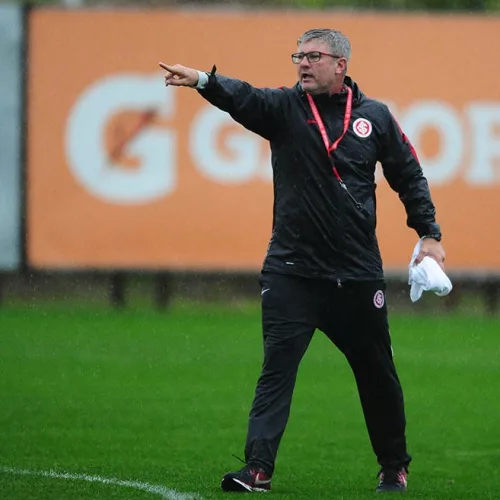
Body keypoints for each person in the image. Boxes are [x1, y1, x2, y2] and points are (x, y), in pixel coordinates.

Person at [159, 28, 445, 494]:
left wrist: (429, 233)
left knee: (377, 376)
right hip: (291, 272)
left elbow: (408, 174)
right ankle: (257, 469)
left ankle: (394, 466)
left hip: (355, 276)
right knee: (277, 369)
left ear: (341, 65)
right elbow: (245, 98)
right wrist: (204, 82)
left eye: (314, 56)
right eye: (299, 55)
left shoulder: (374, 117)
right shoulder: (286, 109)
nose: (303, 64)